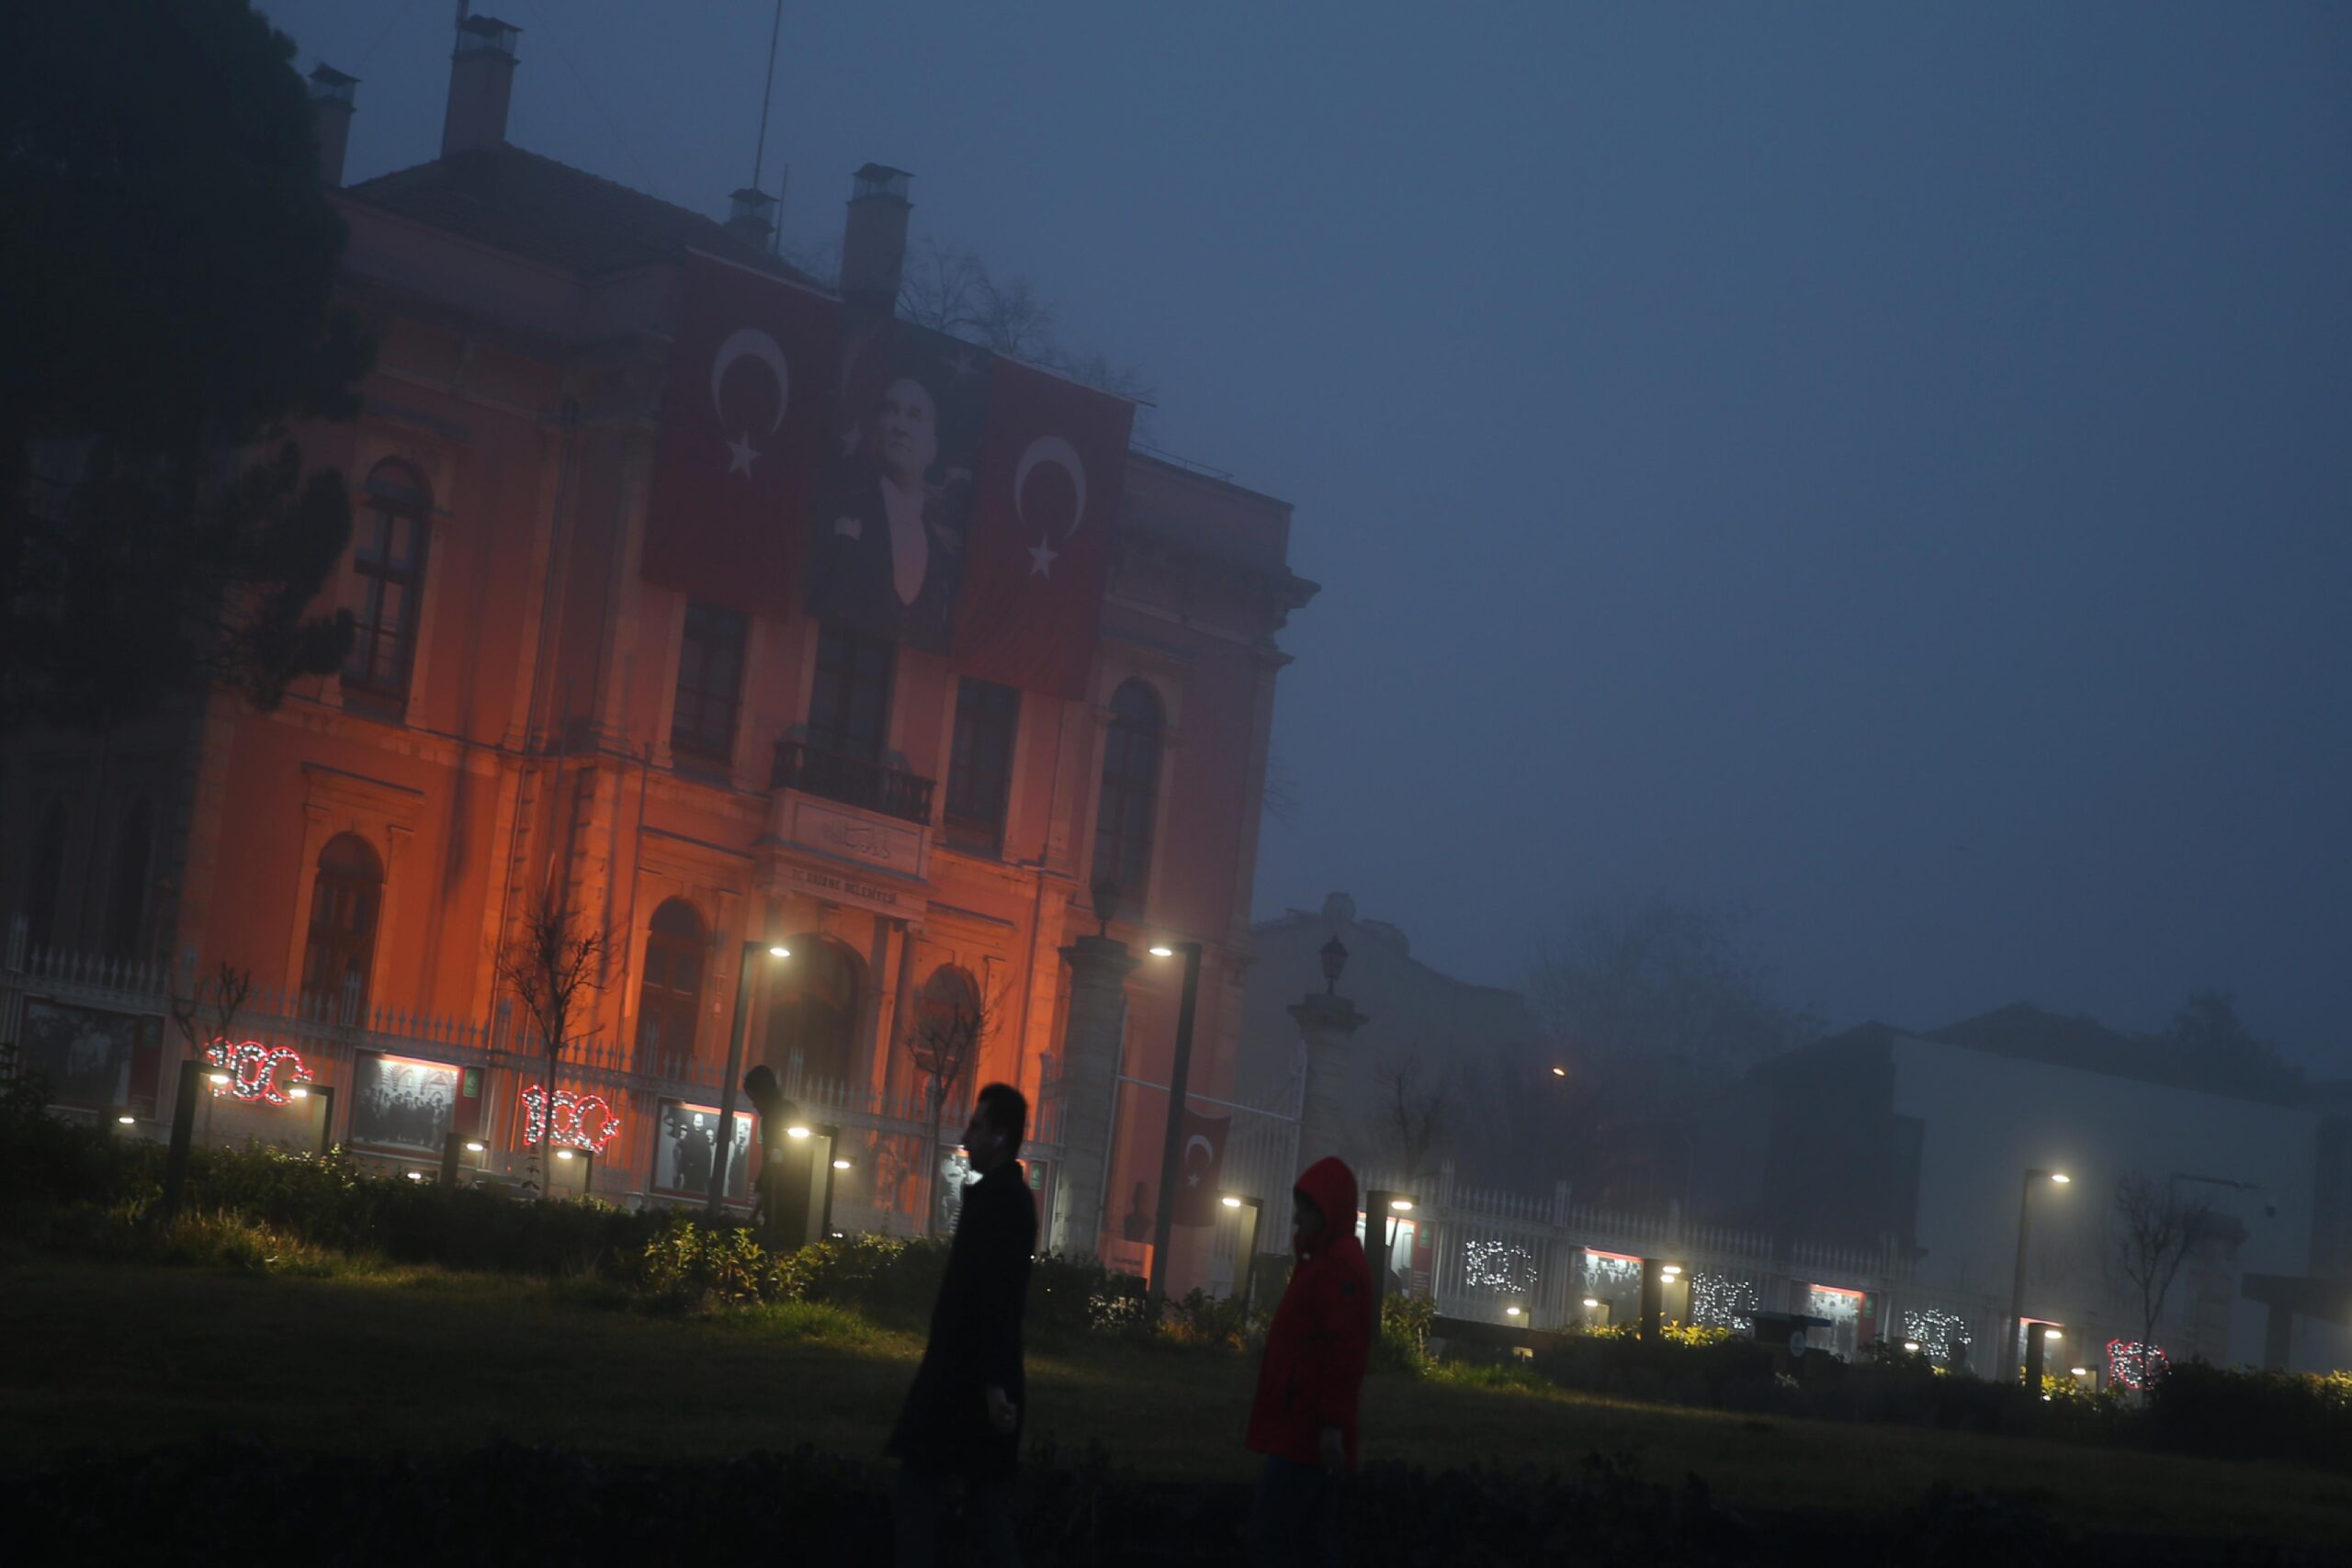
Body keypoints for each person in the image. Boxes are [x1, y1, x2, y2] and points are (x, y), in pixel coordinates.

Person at [888, 1082, 1035, 1567]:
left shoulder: (1000, 1202)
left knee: (925, 1490)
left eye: (976, 1125)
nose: (965, 1134)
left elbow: (994, 1296)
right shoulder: (1004, 1198)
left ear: (999, 1135)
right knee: (981, 1500)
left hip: (964, 1379)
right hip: (972, 1375)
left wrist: (993, 1385)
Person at [1245, 1156, 1372, 1566]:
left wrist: (1331, 1425)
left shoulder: (1334, 1266)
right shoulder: (1328, 1262)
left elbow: (1343, 1350)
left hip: (1306, 1428)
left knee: (1273, 1534)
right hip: (1308, 1424)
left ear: (1325, 1210)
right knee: (1310, 1540)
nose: (1297, 1217)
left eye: (1306, 1207)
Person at [808, 370, 967, 650]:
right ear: (875, 431)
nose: (900, 427)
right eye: (891, 411)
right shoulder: (838, 515)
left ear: (933, 447)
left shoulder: (944, 557)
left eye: (914, 415)